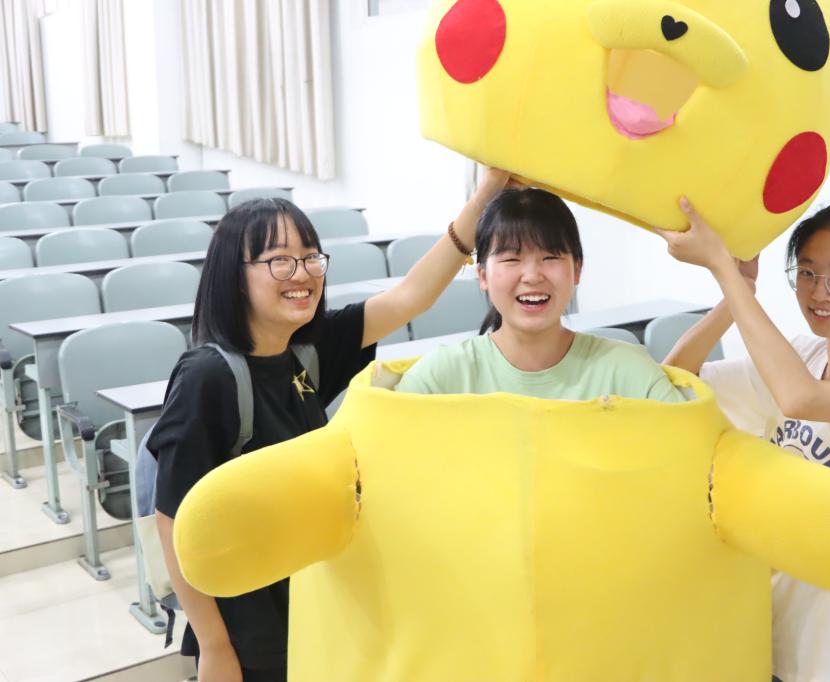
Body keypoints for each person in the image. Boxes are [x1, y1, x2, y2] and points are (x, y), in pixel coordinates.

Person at [151, 170, 512, 682]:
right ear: (233, 274)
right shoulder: (207, 376)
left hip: (310, 604)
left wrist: (488, 190)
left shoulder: (305, 349)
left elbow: (409, 297)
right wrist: (214, 646)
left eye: (310, 257)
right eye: (279, 260)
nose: (301, 273)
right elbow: (172, 519)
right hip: (249, 631)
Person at [655, 199, 830, 682]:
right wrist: (735, 294)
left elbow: (801, 399)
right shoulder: (805, 354)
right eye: (807, 273)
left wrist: (723, 269)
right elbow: (676, 380)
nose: (819, 292)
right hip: (764, 625)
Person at [397, 188, 684, 403]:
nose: (532, 276)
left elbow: (687, 446)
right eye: (512, 259)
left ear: (577, 270)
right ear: (482, 276)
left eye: (550, 257)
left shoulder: (627, 370)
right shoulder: (441, 378)